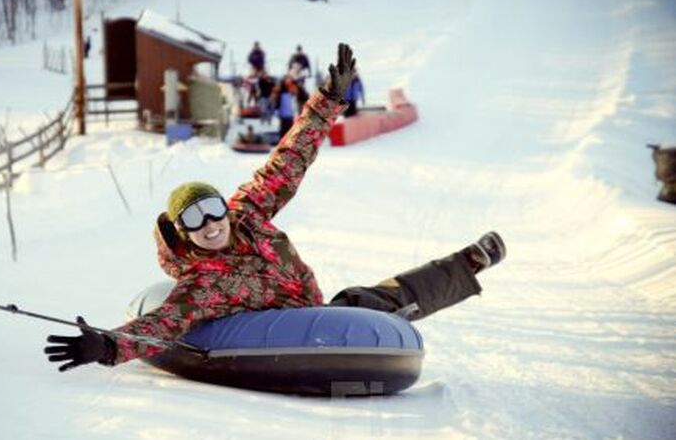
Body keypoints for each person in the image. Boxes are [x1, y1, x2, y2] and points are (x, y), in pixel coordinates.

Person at [44, 44, 507, 372]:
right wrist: (106, 346)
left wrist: (328, 102)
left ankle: (467, 263)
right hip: (283, 331)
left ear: (225, 208)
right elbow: (163, 323)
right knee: (374, 310)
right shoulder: (202, 282)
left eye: (211, 210)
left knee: (377, 300)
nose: (208, 225)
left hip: (314, 307)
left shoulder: (247, 213)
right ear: (182, 233)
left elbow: (289, 159)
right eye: (192, 220)